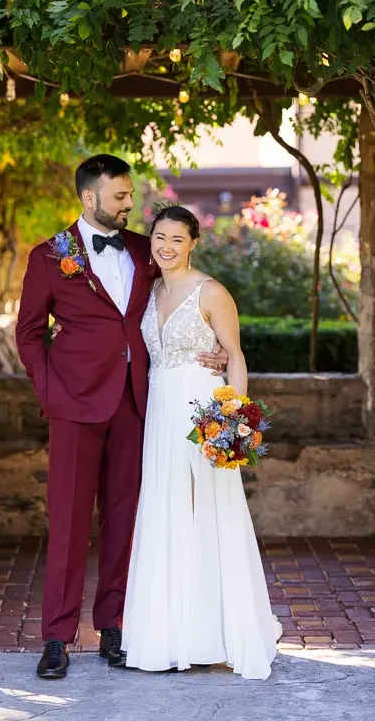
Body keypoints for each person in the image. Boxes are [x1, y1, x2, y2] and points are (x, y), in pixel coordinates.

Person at [15, 154, 228, 679]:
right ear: (90, 199)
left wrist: (218, 349)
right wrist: (50, 393)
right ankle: (57, 639)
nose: (131, 204)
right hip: (73, 407)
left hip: (138, 405)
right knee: (67, 523)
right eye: (120, 197)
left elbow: (188, 295)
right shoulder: (49, 256)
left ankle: (114, 627)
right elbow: (27, 333)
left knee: (125, 520)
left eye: (130, 195)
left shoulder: (142, 249)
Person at [122, 205, 282, 680]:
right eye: (159, 237)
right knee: (168, 513)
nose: (166, 247)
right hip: (160, 413)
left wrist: (232, 420)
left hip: (202, 413)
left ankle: (218, 633)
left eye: (177, 239)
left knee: (208, 512)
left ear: (193, 243)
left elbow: (234, 357)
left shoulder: (211, 291)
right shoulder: (148, 291)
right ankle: (171, 635)